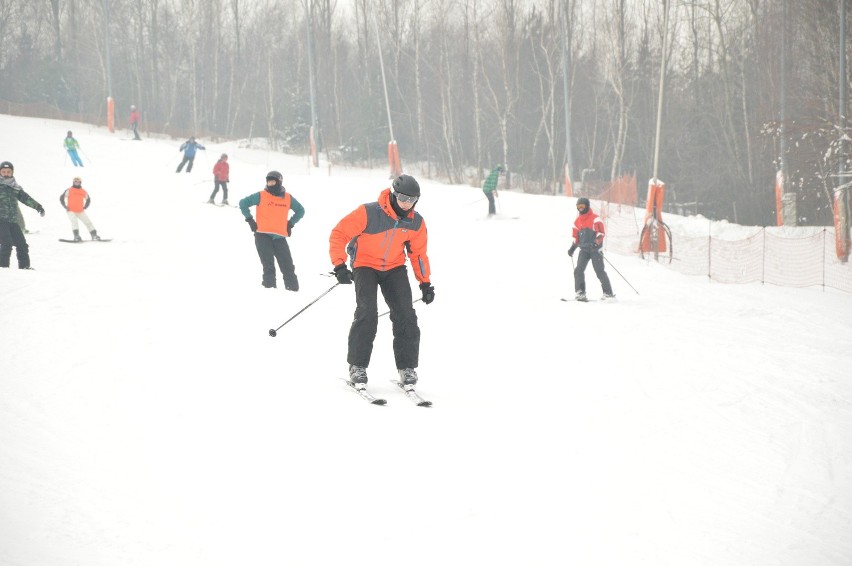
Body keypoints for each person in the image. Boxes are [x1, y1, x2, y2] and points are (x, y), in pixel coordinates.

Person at [329, 174, 435, 390]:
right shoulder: (368, 212)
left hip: (394, 268)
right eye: (404, 198)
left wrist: (425, 283)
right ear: (394, 195)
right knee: (367, 313)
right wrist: (340, 265)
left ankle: (407, 368)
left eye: (412, 200)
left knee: (406, 315)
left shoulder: (416, 222)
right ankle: (357, 366)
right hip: (365, 265)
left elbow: (418, 255)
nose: (407, 204)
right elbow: (339, 234)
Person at [239, 170, 304, 290]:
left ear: (279, 182)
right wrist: (250, 220)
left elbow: (301, 210)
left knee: (288, 266)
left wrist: (290, 224)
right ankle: (270, 291)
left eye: (272, 181)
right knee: (268, 266)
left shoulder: (288, 198)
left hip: (279, 238)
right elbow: (243, 203)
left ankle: (293, 291)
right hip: (262, 236)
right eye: (268, 182)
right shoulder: (261, 195)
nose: (270, 184)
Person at [0, 161, 45, 270]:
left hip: (13, 221)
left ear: (12, 173)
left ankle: (24, 267)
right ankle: (2, 268)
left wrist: (38, 206)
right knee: (7, 244)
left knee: (22, 245)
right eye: (4, 171)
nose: (6, 173)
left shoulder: (16, 188)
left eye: (8, 172)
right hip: (1, 221)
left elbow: (26, 198)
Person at [567, 197, 614, 301]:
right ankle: (580, 293)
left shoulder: (595, 219)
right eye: (578, 207)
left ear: (587, 206)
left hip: (595, 250)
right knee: (578, 270)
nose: (580, 209)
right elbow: (576, 238)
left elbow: (601, 233)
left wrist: (596, 243)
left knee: (599, 271)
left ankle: (608, 294)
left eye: (582, 206)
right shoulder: (577, 222)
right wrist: (572, 248)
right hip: (584, 250)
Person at [60, 176, 100, 241]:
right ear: (73, 182)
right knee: (74, 222)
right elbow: (61, 198)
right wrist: (65, 206)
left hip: (80, 211)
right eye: (75, 181)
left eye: (78, 181)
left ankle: (94, 235)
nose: (76, 182)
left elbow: (88, 199)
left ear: (80, 182)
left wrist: (85, 206)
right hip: (71, 210)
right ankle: (76, 236)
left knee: (88, 222)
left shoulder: (83, 191)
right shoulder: (69, 190)